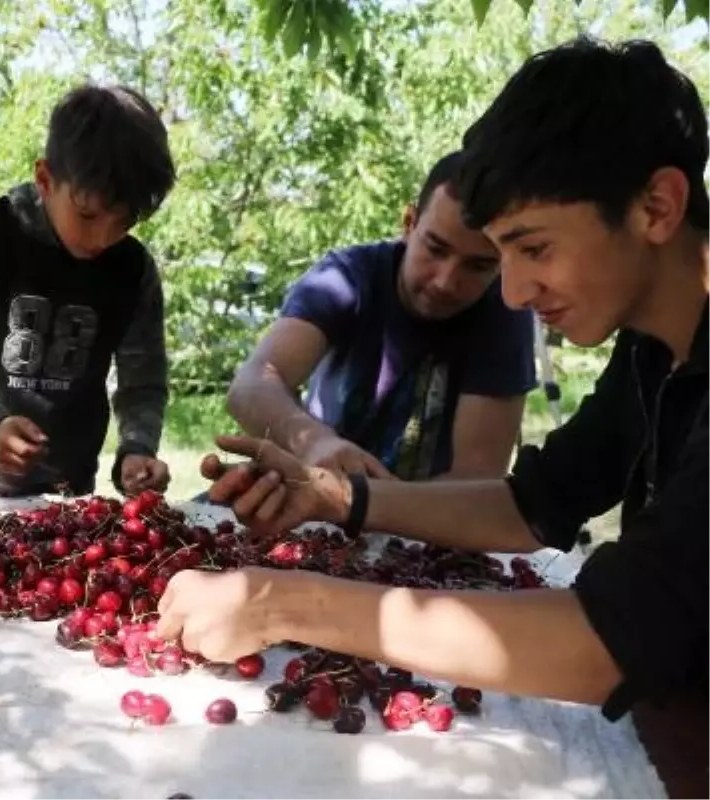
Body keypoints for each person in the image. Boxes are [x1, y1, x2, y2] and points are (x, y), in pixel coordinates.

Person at [155, 36, 710, 769]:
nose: (510, 293)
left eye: (532, 249)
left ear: (656, 205)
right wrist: (341, 498)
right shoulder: (650, 349)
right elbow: (531, 504)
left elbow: (610, 640)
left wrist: (278, 603)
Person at [0, 84, 176, 498]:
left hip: (68, 496)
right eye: (88, 214)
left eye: (124, 221)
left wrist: (137, 449)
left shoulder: (133, 268)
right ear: (44, 179)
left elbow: (142, 382)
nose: (103, 238)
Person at [227, 152, 536, 481]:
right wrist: (314, 442)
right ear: (409, 223)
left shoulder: (505, 309)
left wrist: (368, 504)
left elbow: (476, 477)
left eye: (478, 266)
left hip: (428, 524)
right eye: (435, 248)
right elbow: (251, 385)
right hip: (314, 506)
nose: (446, 281)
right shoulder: (347, 278)